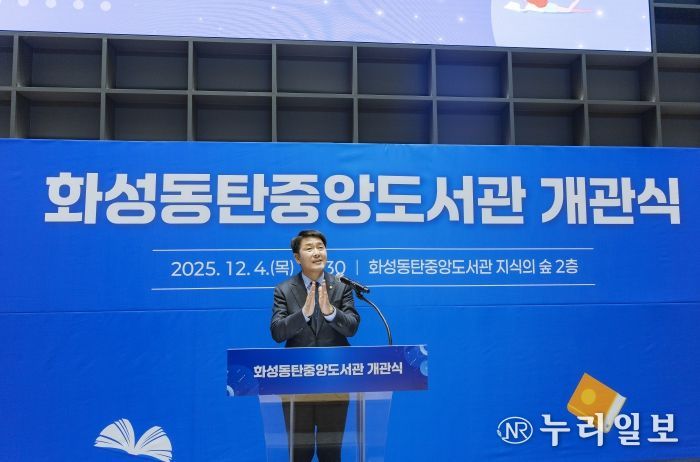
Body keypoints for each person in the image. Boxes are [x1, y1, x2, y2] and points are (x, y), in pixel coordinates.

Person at [270, 230, 360, 462]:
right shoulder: (284, 289)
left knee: (331, 453)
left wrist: (330, 312)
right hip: (296, 384)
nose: (317, 252)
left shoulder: (341, 286)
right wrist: (303, 314)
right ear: (297, 258)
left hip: (335, 381)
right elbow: (278, 332)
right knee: (300, 453)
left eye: (320, 247)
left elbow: (351, 327)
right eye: (309, 248)